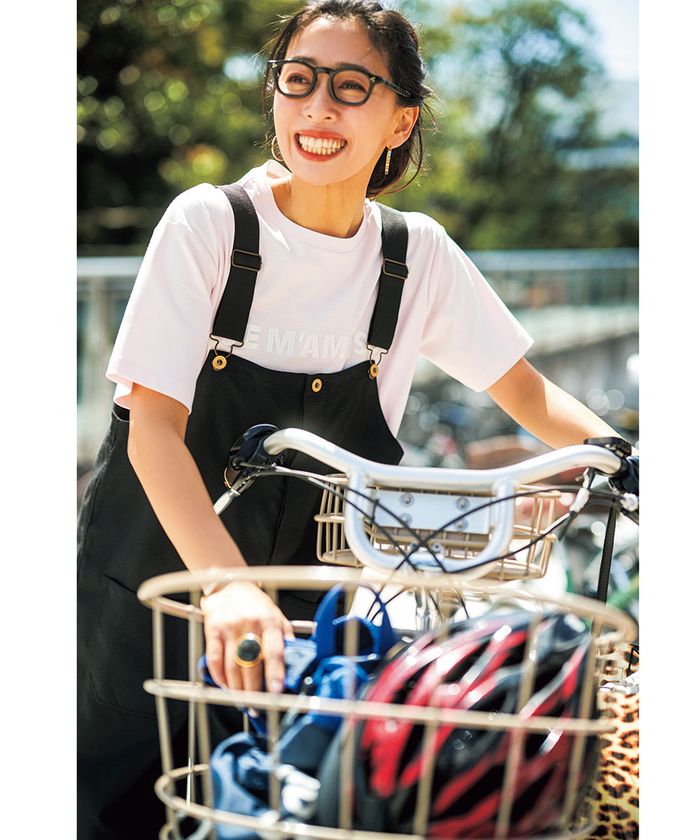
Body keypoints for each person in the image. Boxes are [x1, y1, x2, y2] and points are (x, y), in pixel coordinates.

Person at [77, 1, 633, 837]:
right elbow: (152, 428)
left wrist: (622, 458)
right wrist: (227, 585)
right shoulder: (210, 225)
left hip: (309, 608)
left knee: (284, 805)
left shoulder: (413, 256)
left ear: (400, 119)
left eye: (350, 87)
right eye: (298, 80)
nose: (317, 107)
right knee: (111, 805)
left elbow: (523, 392)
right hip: (152, 588)